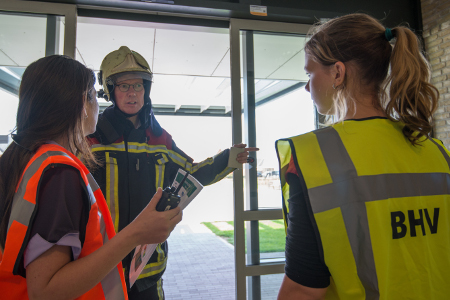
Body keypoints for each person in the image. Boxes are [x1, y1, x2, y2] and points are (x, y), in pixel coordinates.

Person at [276, 13, 450, 300]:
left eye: (310, 73)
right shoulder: (438, 154)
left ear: (338, 73)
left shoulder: (313, 159)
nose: (307, 86)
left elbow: (303, 291)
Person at [0, 55, 182, 299]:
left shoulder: (27, 157)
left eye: (138, 85)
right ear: (80, 105)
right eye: (94, 96)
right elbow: (46, 291)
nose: (98, 104)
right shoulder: (59, 172)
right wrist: (137, 233)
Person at [89, 46, 258, 299]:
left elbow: (191, 174)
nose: (133, 92)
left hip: (148, 269)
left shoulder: (160, 139)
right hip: (101, 267)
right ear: (110, 90)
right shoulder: (91, 138)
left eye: (139, 85)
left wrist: (229, 158)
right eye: (124, 86)